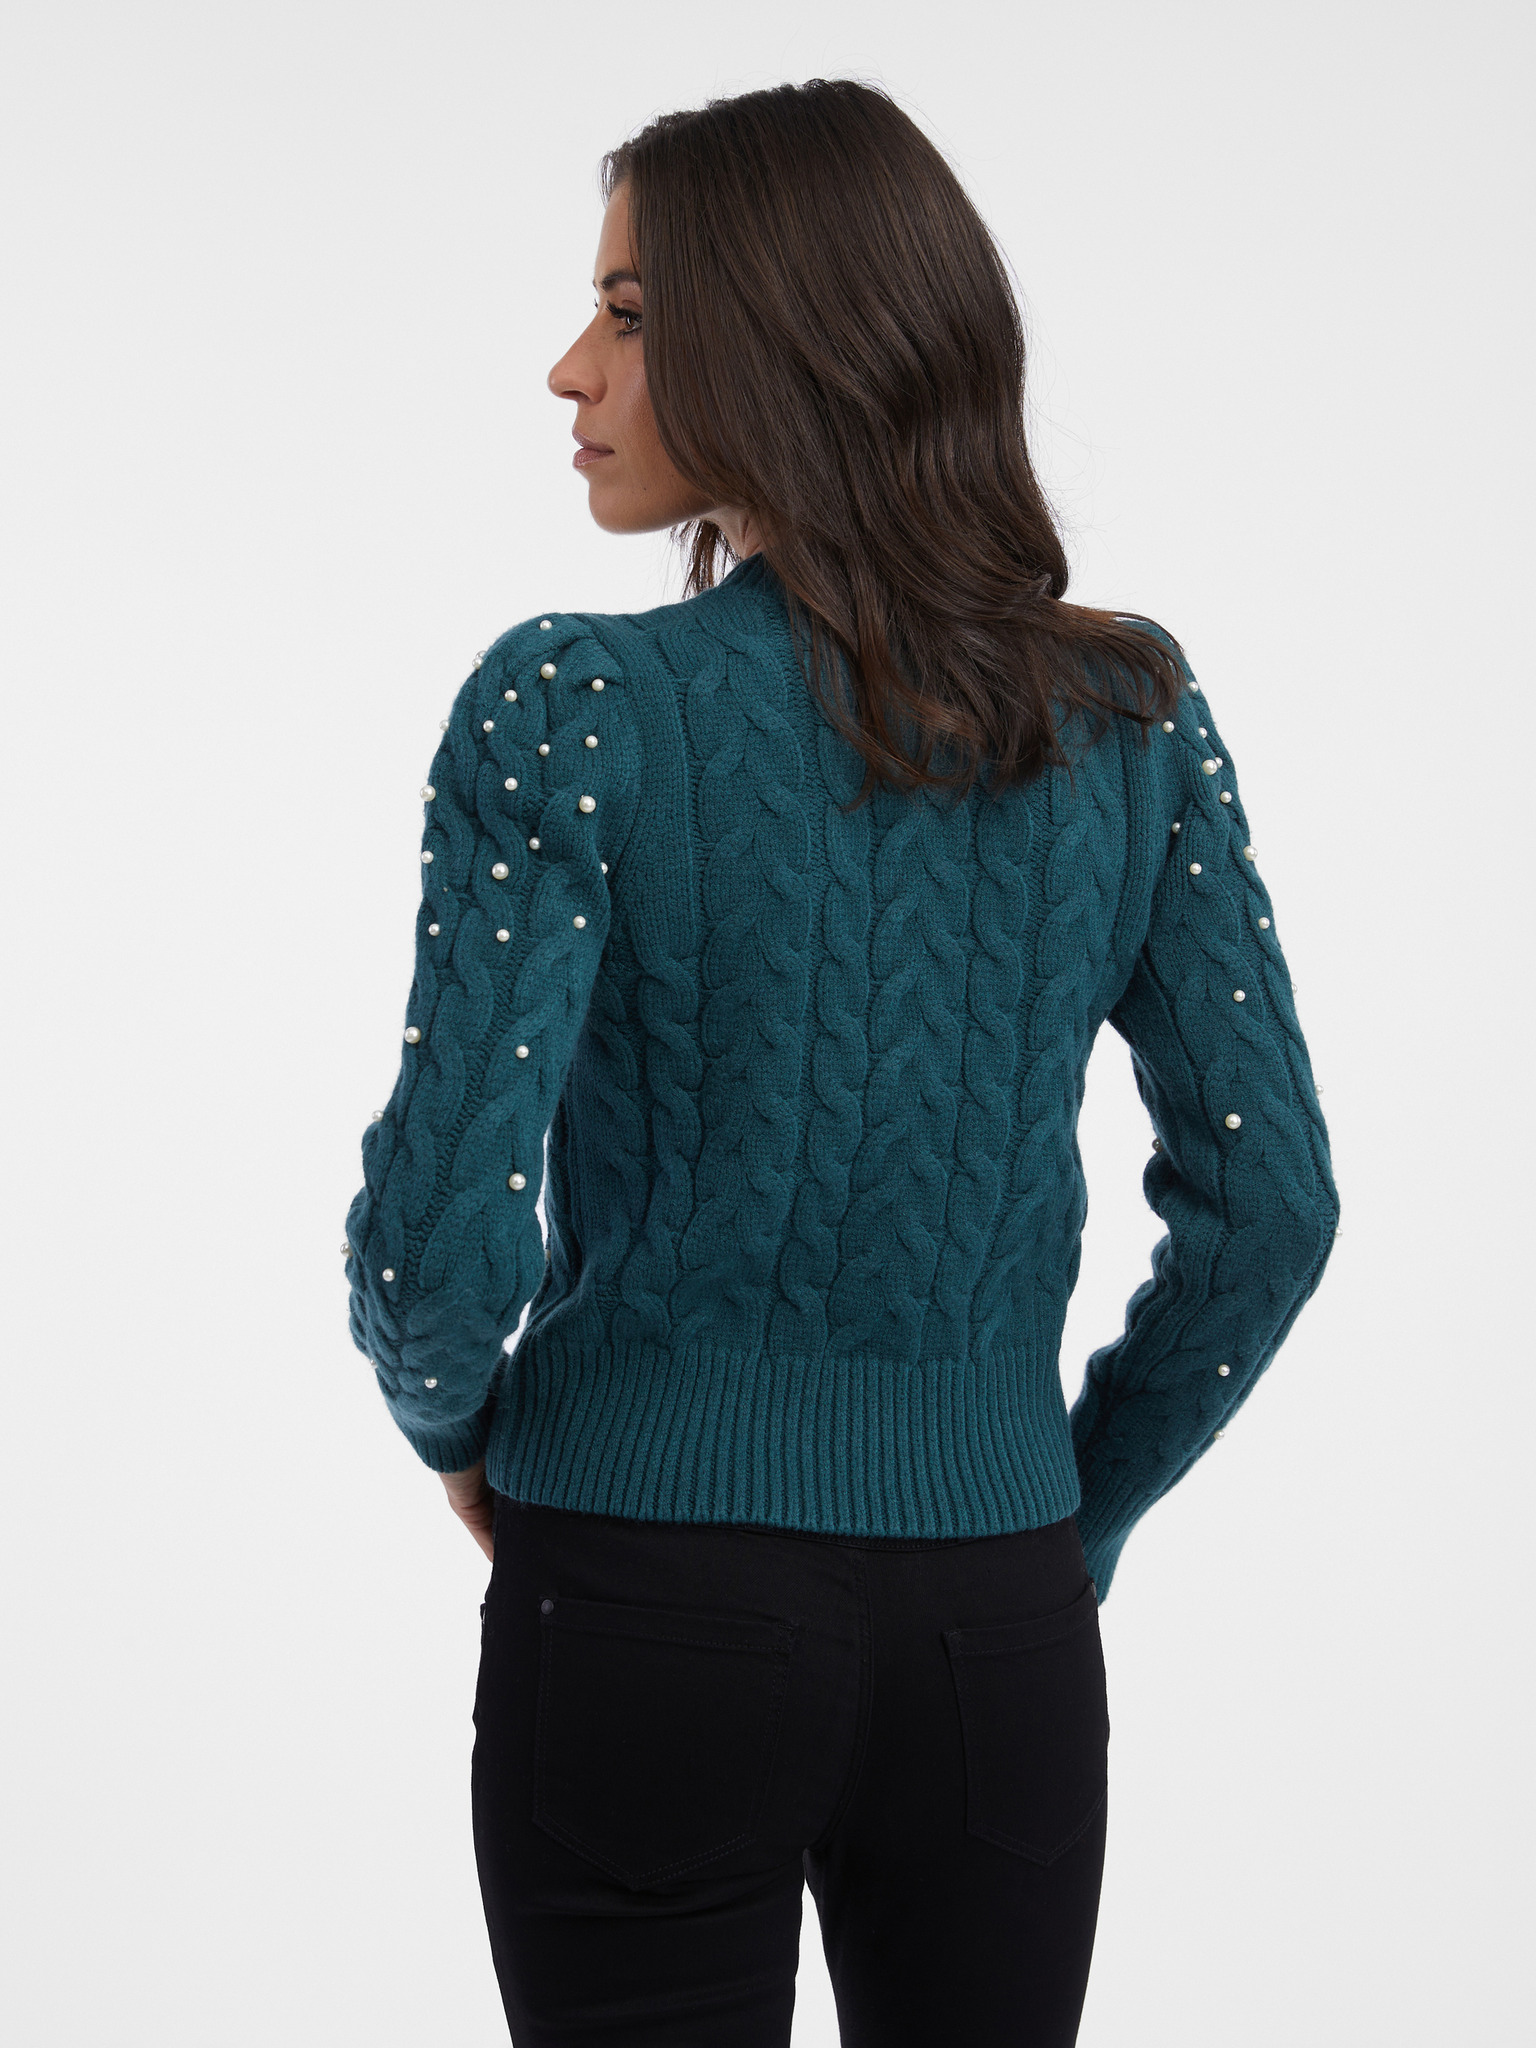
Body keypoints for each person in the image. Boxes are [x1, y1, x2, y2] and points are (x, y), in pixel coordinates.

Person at [344, 78, 1339, 2048]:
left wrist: (463, 1437)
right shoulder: (1129, 720)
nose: (570, 368)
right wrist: (1063, 1511)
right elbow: (1272, 1211)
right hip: (999, 1631)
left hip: (642, 1601)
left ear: (780, 339)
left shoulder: (577, 704)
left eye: (630, 313)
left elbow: (433, 1241)